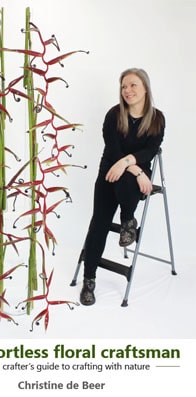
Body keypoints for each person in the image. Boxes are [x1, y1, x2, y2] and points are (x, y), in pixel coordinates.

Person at [80, 68, 165, 306]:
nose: (127, 90)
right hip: (110, 173)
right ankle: (89, 280)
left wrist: (133, 167)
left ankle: (128, 218)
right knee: (99, 223)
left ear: (145, 88)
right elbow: (114, 150)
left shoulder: (157, 118)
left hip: (134, 176)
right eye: (124, 86)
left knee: (129, 181)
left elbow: (150, 151)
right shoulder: (114, 114)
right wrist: (133, 167)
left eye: (133, 85)